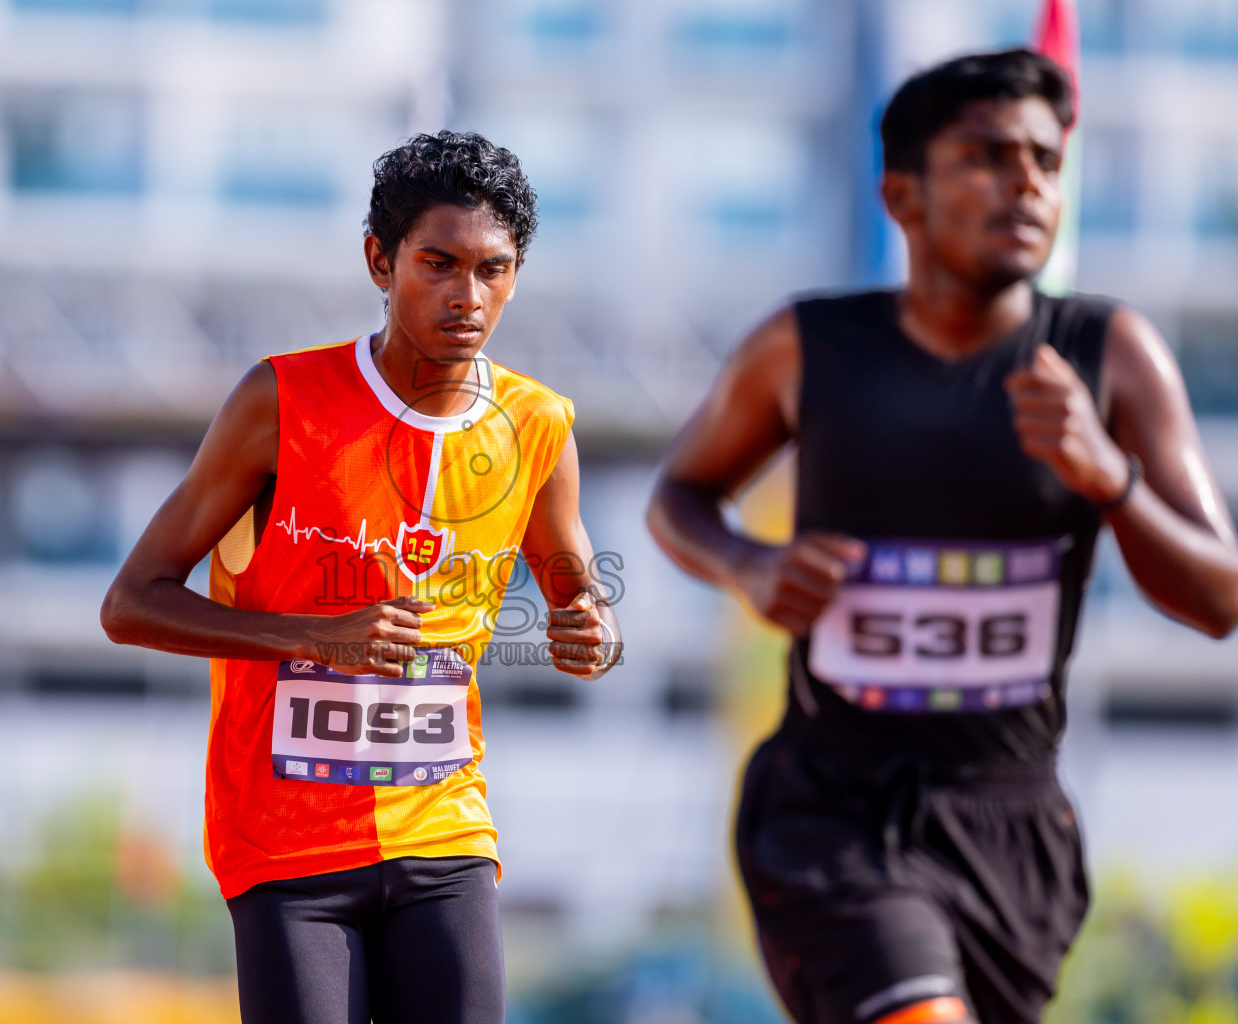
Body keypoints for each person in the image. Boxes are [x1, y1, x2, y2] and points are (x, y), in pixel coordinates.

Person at [647, 49, 1238, 1024]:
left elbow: (1219, 600)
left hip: (1015, 825)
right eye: (987, 156)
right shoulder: (809, 345)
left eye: (1047, 161)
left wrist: (1111, 478)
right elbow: (679, 494)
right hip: (832, 810)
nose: (1026, 184)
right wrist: (748, 563)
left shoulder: (1112, 354)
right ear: (902, 194)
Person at [100, 130, 621, 1024]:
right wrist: (312, 635)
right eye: (438, 263)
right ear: (380, 261)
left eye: (494, 269)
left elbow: (578, 596)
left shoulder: (539, 426)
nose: (469, 295)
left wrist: (597, 634)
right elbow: (130, 603)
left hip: (445, 828)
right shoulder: (281, 403)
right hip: (286, 844)